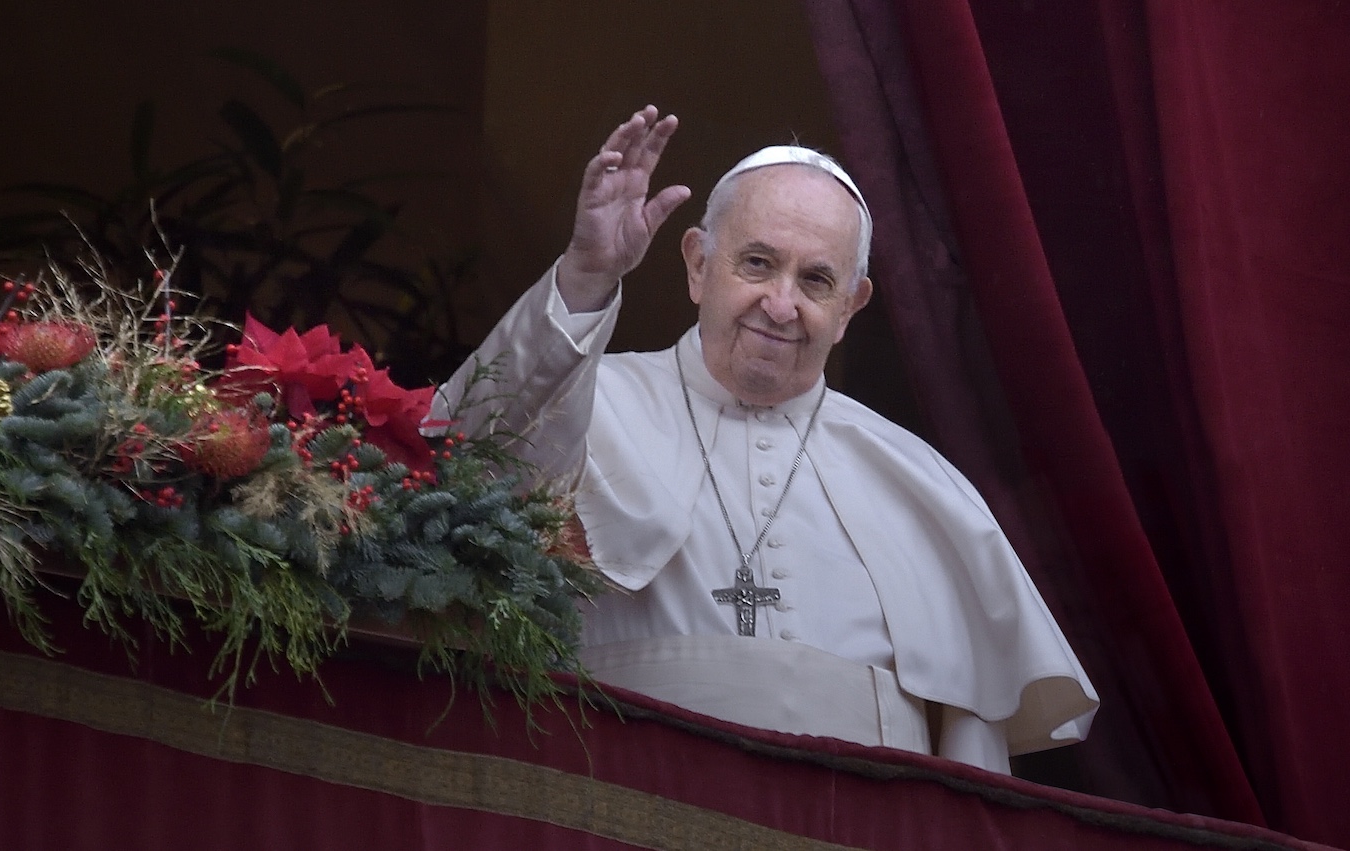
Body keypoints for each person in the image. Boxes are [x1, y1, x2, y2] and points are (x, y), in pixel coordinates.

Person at [438, 106, 1097, 773]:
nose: (782, 305)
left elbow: (963, 772)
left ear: (850, 307)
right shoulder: (578, 399)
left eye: (816, 280)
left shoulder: (922, 482)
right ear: (698, 265)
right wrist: (586, 275)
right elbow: (460, 472)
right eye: (757, 263)